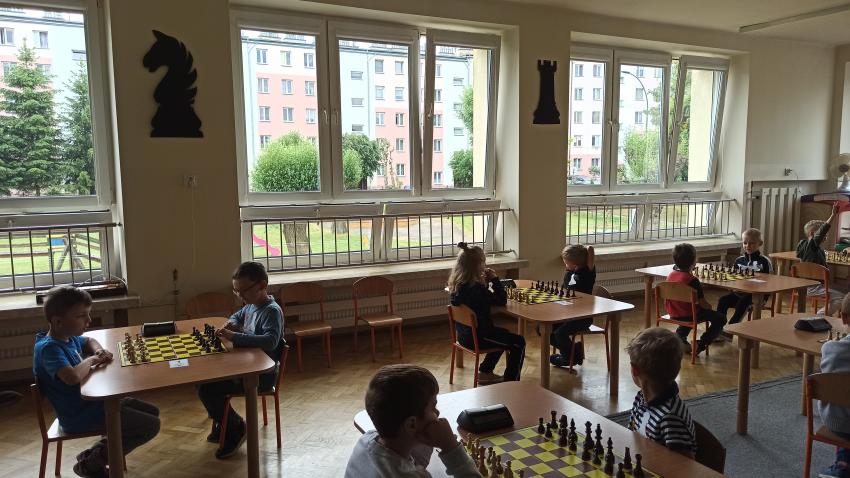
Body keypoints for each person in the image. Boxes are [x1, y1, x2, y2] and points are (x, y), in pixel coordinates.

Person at [33, 286, 160, 478]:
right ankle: (91, 464)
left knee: (152, 411)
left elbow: (89, 340)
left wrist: (98, 350)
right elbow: (72, 377)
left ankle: (94, 455)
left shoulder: (66, 337)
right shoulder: (49, 349)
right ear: (58, 321)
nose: (89, 320)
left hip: (92, 404)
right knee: (151, 425)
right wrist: (92, 360)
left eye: (88, 314)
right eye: (81, 316)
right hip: (78, 415)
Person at [197, 261, 284, 459]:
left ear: (262, 285)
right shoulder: (251, 306)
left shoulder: (271, 311)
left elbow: (270, 342)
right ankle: (224, 422)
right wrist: (232, 324)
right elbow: (237, 316)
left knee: (207, 389)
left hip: (262, 375)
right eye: (236, 291)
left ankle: (235, 428)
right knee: (202, 380)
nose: (240, 296)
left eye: (243, 290)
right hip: (248, 366)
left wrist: (235, 336)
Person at [344, 364, 481, 478]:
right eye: (433, 407)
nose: (438, 413)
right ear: (411, 424)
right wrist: (450, 446)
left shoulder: (366, 440)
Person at [448, 242, 525, 383]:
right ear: (479, 265)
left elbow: (480, 302)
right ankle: (511, 382)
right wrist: (495, 280)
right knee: (518, 342)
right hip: (479, 338)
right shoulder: (476, 289)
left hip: (464, 336)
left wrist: (484, 283)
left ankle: (485, 371)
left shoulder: (457, 285)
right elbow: (501, 300)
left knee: (503, 335)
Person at [626, 327, 697, 458]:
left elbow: (685, 464)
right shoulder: (641, 397)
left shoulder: (671, 419)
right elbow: (632, 433)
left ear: (635, 370)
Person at [666, 243, 727, 354]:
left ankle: (680, 337)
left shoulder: (670, 276)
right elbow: (703, 304)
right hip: (689, 314)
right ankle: (701, 344)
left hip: (673, 313)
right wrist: (709, 307)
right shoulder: (692, 280)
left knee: (690, 313)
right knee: (720, 318)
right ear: (694, 261)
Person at [817, 292, 850, 478]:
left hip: (836, 422)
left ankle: (843, 464)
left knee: (843, 403)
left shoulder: (829, 349)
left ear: (843, 318)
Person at [550, 244, 596, 367]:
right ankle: (573, 353)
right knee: (543, 329)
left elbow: (590, 249)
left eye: (566, 262)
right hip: (568, 315)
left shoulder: (587, 273)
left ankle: (568, 357)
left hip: (583, 318)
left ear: (574, 264)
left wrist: (582, 252)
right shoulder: (570, 272)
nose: (565, 264)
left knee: (559, 333)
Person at [717, 229, 772, 329]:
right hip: (739, 293)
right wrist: (731, 287)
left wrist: (764, 299)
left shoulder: (764, 261)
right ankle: (718, 328)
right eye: (745, 243)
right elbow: (733, 277)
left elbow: (770, 282)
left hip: (755, 296)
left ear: (760, 243)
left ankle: (731, 329)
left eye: (752, 243)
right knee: (723, 300)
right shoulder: (739, 260)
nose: (747, 246)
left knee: (742, 302)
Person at [797, 201, 845, 315]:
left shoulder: (812, 248)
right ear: (812, 234)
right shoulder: (811, 246)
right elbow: (822, 232)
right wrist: (833, 215)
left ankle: (822, 315)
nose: (826, 235)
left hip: (817, 285)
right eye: (824, 233)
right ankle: (820, 316)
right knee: (843, 297)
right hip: (812, 287)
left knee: (845, 292)